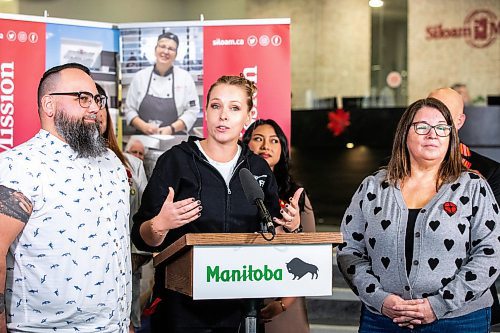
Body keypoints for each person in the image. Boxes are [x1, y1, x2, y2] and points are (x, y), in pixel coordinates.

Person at [131, 75, 303, 332]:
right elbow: (142, 237)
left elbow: (272, 233)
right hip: (180, 309)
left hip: (242, 309)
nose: (224, 115)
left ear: (248, 116)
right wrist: (159, 225)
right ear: (206, 110)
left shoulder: (258, 168)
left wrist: (291, 227)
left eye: (234, 108)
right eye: (216, 106)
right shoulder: (175, 161)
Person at [337, 97, 500, 332]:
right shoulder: (373, 187)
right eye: (422, 126)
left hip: (459, 320)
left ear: (451, 136)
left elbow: (490, 253)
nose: (432, 134)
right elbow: (348, 249)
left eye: (442, 128)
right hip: (383, 320)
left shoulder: (473, 186)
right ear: (405, 133)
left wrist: (438, 305)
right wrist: (380, 300)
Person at [0, 63, 131, 332]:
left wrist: (124, 321)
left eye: (96, 98)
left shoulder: (112, 165)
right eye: (82, 98)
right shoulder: (18, 166)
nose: (94, 107)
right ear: (49, 105)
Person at [429, 87, 500, 326]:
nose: (436, 120)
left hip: (468, 305)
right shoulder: (390, 172)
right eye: (431, 109)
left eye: (445, 114)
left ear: (459, 121)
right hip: (401, 304)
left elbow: (491, 245)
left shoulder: (489, 172)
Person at [243, 119, 315, 333]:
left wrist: (283, 303)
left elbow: (310, 252)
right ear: (245, 144)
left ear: (282, 149)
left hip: (284, 302)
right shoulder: (232, 190)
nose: (266, 146)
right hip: (237, 291)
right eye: (258, 139)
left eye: (274, 141)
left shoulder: (296, 195)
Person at [96, 83, 149, 333]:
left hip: (125, 268)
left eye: (100, 104)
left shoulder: (131, 166)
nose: (95, 112)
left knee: (127, 322)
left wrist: (136, 257)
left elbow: (144, 212)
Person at [124, 32, 199, 135]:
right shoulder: (140, 77)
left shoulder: (185, 78)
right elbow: (129, 110)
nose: (166, 51)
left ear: (176, 54)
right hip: (143, 141)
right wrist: (144, 126)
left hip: (175, 139)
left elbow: (192, 110)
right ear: (155, 50)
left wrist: (171, 129)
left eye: (171, 49)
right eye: (162, 46)